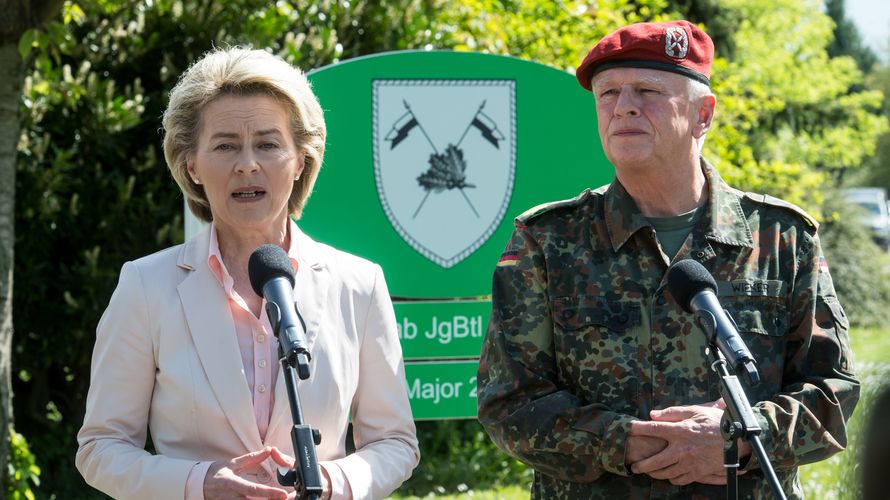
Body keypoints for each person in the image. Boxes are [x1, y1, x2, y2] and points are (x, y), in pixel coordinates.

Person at [477, 20, 859, 499]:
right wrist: (628, 442)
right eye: (608, 93)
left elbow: (834, 393)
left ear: (703, 115)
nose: (624, 106)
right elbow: (508, 403)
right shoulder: (547, 241)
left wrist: (738, 437)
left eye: (647, 90)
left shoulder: (781, 238)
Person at [76, 47, 420, 500]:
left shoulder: (359, 283)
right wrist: (197, 483)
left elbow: (396, 444)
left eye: (268, 143)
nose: (247, 164)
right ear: (191, 164)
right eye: (225, 145)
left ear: (301, 159)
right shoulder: (146, 286)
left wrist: (332, 483)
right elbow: (100, 448)